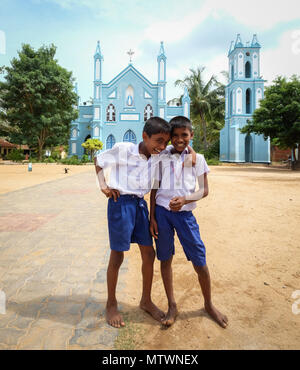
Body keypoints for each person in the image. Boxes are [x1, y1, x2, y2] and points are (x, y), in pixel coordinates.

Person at [150, 116, 228, 328]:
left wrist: (185, 199)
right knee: (165, 259)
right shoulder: (162, 157)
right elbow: (154, 189)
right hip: (162, 214)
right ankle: (172, 305)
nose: (179, 139)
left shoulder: (197, 159)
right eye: (174, 136)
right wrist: (152, 217)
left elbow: (204, 190)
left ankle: (209, 304)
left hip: (185, 216)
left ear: (191, 136)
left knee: (199, 261)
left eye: (184, 135)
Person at [94, 117, 170, 328]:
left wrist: (152, 217)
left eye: (165, 142)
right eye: (158, 141)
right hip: (120, 204)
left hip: (140, 206)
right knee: (118, 255)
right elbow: (99, 161)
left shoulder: (157, 158)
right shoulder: (124, 149)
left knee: (149, 253)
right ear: (145, 136)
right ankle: (111, 303)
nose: (161, 146)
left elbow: (154, 189)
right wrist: (104, 186)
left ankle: (145, 300)